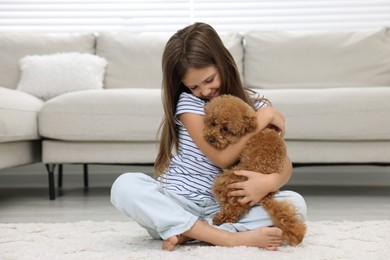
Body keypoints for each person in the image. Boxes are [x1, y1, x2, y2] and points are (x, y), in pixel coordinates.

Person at [111, 22, 307, 251]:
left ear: (223, 64)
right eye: (193, 86)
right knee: (124, 185)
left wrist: (268, 183)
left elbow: (283, 164)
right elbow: (220, 158)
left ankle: (189, 232)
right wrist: (262, 119)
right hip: (177, 203)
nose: (203, 91)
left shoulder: (257, 104)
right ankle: (228, 238)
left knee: (295, 204)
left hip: (227, 208)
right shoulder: (190, 104)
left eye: (209, 80)